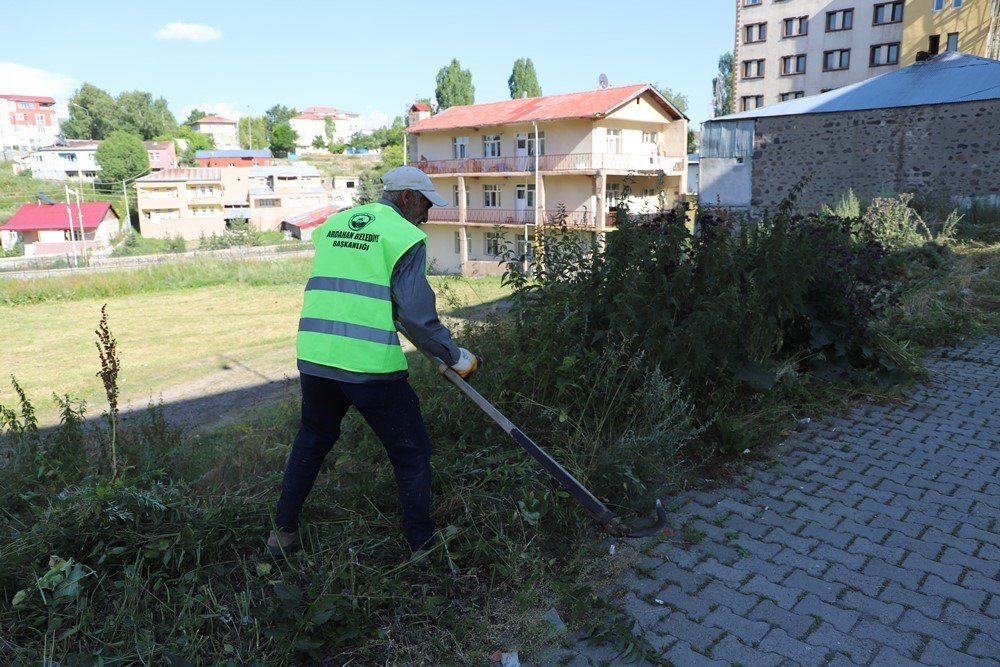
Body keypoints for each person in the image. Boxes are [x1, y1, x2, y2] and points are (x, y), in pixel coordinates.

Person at [267, 165, 479, 559]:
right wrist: (454, 356)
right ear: (405, 198)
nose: (427, 215)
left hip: (316, 356)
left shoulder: (335, 224)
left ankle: (282, 533)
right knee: (411, 453)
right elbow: (416, 316)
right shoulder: (404, 236)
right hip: (369, 366)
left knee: (311, 441)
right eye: (425, 204)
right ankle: (421, 546)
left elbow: (356, 287)